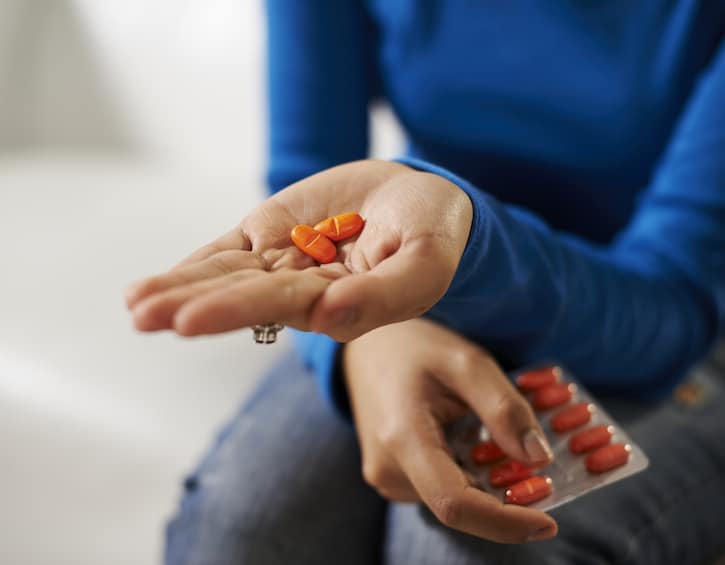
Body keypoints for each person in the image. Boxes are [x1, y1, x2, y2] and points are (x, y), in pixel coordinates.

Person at [126, 2, 725, 564]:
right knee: (236, 532)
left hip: (675, 316)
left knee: (467, 551)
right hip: (416, 275)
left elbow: (673, 310)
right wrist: (368, 334)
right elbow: (306, 188)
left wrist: (462, 248)